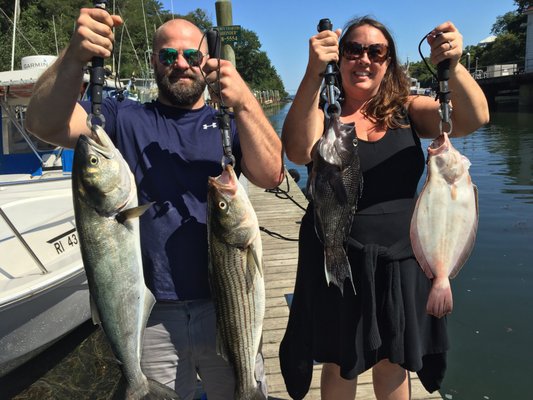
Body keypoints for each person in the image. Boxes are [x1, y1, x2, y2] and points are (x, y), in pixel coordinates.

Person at [25, 8, 284, 400]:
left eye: (191, 56)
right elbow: (42, 124)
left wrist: (245, 100)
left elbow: (270, 174)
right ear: (153, 62)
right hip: (151, 314)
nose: (181, 64)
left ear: (205, 61)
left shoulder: (227, 121)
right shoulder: (121, 117)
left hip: (230, 304)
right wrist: (74, 56)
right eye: (168, 56)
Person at [279, 16, 488, 400]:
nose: (364, 59)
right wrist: (312, 73)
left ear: (388, 62)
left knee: (395, 361)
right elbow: (295, 150)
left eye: (376, 51)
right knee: (341, 360)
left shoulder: (408, 110)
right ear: (338, 59)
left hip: (401, 258)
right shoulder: (324, 115)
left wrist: (453, 66)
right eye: (353, 50)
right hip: (336, 252)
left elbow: (473, 118)